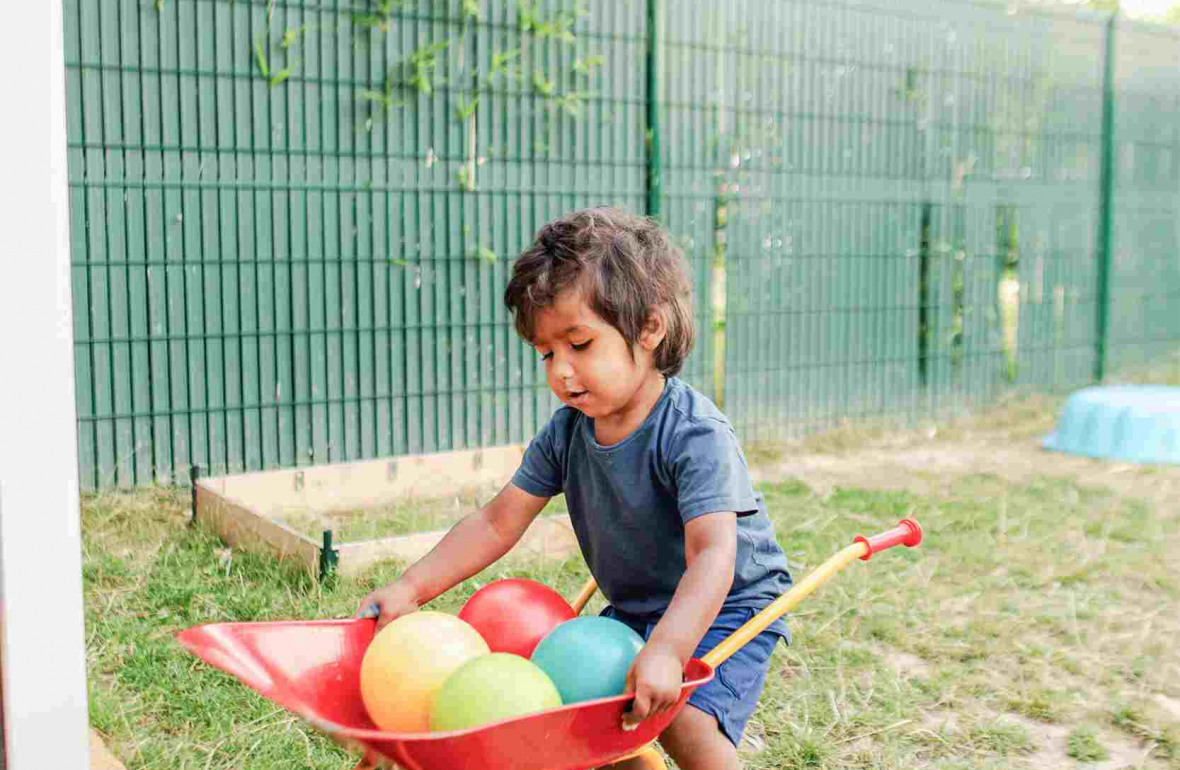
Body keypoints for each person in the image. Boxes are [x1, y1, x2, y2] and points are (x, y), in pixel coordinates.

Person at [358, 207, 792, 770]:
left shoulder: (694, 434)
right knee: (578, 708)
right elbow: (497, 521)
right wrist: (412, 586)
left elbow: (714, 554)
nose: (560, 371)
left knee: (681, 713)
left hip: (728, 604)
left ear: (649, 327)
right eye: (546, 353)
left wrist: (666, 649)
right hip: (639, 606)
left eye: (579, 344)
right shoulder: (567, 433)